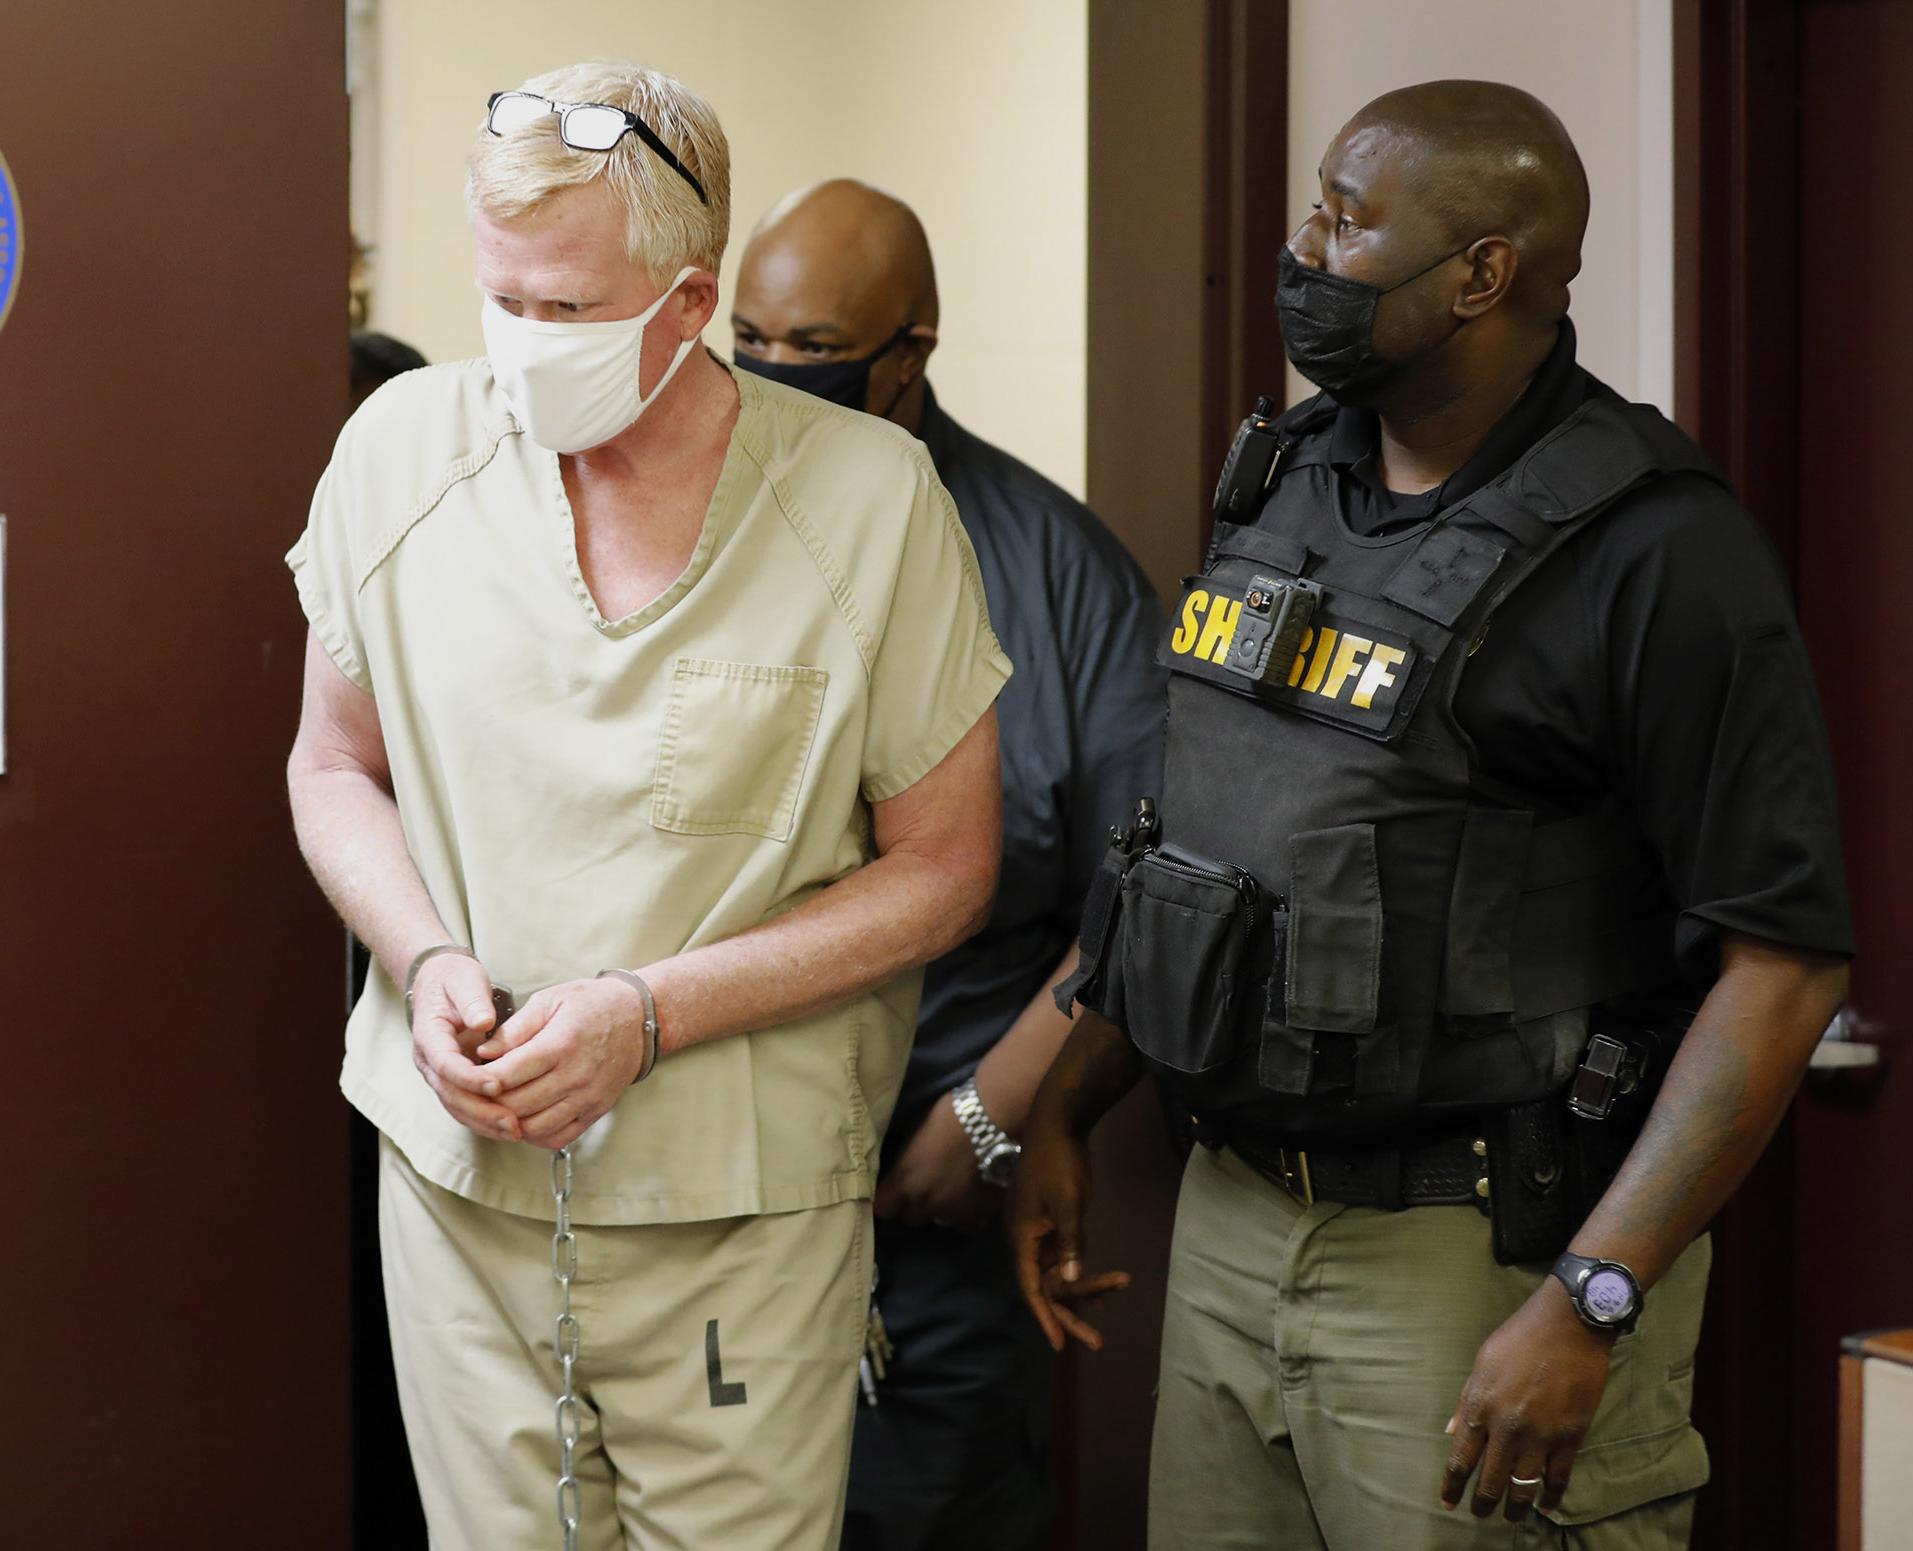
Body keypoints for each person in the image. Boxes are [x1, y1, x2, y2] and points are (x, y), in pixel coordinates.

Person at [1009, 79, 1854, 1548]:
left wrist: (1597, 1296)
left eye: (1347, 219)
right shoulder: (1286, 477)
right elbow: (1205, 842)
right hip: (1229, 1221)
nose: (1305, 250)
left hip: (1479, 1257)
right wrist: (1068, 1102)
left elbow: (1782, 970)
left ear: (1482, 273)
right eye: (1312, 209)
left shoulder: (1659, 552)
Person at [284, 60, 1011, 1550]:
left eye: (565, 312)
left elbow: (944, 870)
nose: (519, 346)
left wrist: (648, 1012)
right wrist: (422, 960)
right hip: (460, 1186)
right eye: (501, 300)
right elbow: (331, 767)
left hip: (735, 1216)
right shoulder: (401, 453)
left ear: (690, 305)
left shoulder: (870, 505)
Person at [731, 178, 1167, 1550]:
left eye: (811, 347)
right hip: (714, 1201)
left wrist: (982, 1122)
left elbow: (1144, 898)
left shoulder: (1054, 570)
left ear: (909, 353)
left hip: (931, 1223)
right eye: (747, 337)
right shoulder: (687, 532)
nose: (771, 374)